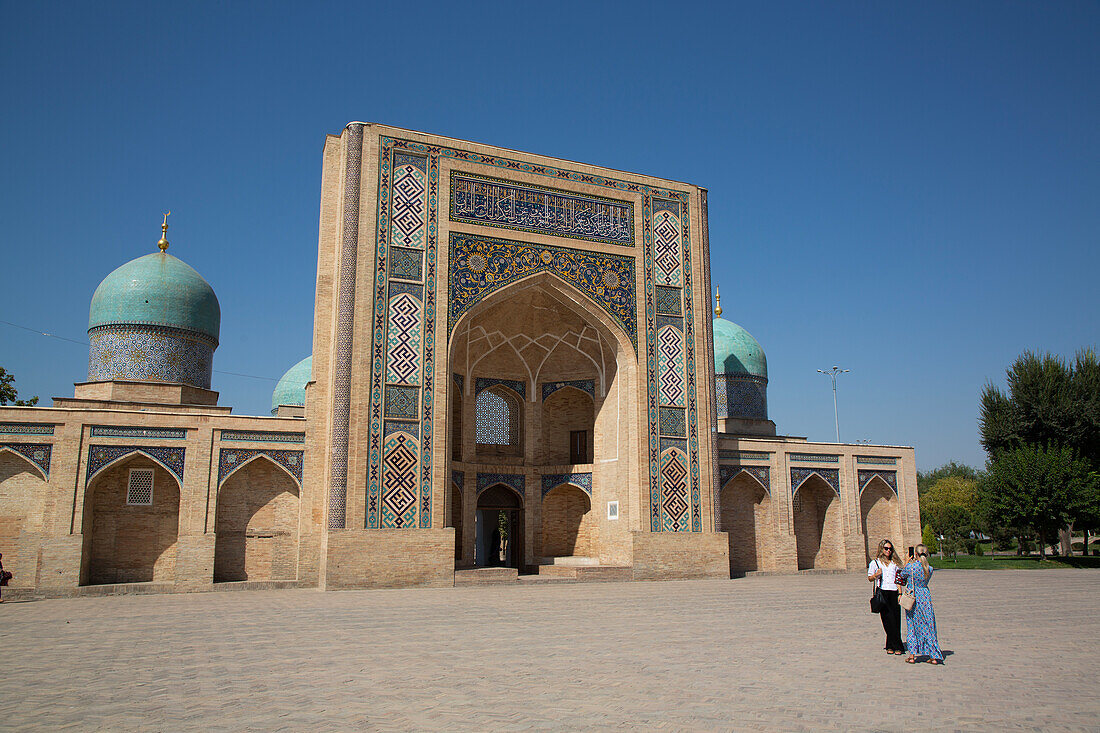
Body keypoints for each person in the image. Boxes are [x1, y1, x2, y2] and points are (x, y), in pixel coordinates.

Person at [899, 544, 943, 664]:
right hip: (925, 596)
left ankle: (912, 656)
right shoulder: (930, 568)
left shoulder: (911, 567)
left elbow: (901, 576)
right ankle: (933, 656)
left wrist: (907, 562)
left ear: (916, 554)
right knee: (929, 625)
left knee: (912, 624)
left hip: (913, 597)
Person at [867, 539, 904, 654]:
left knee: (896, 619)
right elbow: (869, 578)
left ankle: (893, 646)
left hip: (893, 593)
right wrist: (876, 575)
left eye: (890, 549)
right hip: (882, 592)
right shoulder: (875, 563)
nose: (888, 551)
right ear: (881, 549)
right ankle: (895, 645)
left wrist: (900, 593)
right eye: (886, 548)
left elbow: (898, 580)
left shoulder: (895, 563)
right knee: (887, 620)